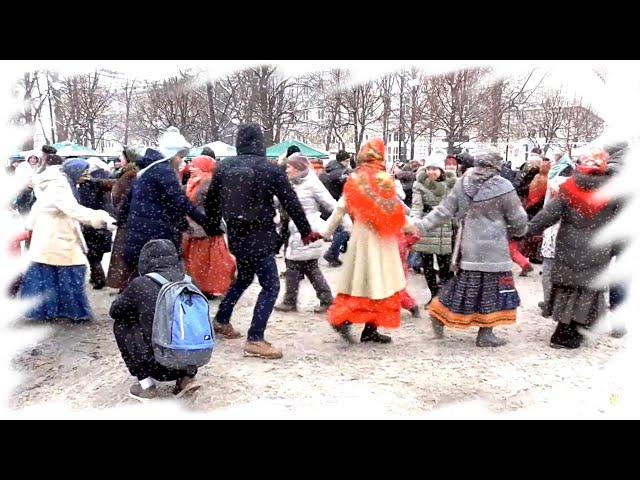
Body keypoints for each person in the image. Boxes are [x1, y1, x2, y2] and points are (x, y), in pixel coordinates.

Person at [204, 124, 320, 359]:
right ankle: (255, 338)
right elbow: (291, 203)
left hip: (236, 235)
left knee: (245, 277)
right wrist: (306, 230)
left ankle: (221, 319)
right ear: (260, 143)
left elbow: (211, 202)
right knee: (270, 285)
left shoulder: (224, 167)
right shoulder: (270, 170)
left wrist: (213, 226)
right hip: (260, 235)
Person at [416, 150, 528, 347]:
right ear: (496, 166)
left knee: (464, 285)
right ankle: (485, 334)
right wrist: (518, 231)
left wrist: (422, 226)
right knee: (492, 291)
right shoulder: (503, 186)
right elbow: (518, 219)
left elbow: (444, 210)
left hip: (469, 246)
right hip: (494, 249)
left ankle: (439, 312)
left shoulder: (463, 182)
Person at [527, 149, 622, 349]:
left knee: (567, 288)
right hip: (598, 248)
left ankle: (563, 330)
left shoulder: (569, 187)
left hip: (568, 247)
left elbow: (548, 215)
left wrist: (524, 231)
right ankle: (575, 330)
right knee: (587, 291)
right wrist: (617, 249)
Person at [322, 138, 411, 344]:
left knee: (358, 283)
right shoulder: (383, 179)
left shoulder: (355, 178)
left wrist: (326, 231)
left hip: (360, 237)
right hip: (382, 238)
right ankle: (365, 327)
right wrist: (411, 227)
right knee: (382, 284)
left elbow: (340, 208)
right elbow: (394, 209)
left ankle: (347, 321)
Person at [19, 156, 115, 322]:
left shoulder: (60, 184)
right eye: (83, 172)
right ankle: (72, 311)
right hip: (56, 238)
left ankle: (51, 310)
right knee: (70, 272)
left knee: (51, 274)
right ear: (74, 172)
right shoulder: (60, 187)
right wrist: (102, 219)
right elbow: (74, 210)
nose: (86, 176)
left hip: (52, 237)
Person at [110, 239, 202, 401]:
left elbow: (115, 311)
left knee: (122, 323)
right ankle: (186, 378)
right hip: (192, 357)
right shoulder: (189, 282)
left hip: (158, 363)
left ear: (145, 260)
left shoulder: (140, 284)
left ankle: (147, 386)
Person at [122, 134, 210, 282]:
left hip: (140, 235)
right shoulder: (163, 170)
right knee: (167, 280)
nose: (181, 161)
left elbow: (128, 201)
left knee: (143, 280)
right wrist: (205, 222)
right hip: (156, 236)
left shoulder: (147, 171)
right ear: (172, 155)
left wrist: (122, 221)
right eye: (180, 156)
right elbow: (179, 201)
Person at [275, 154, 346, 313]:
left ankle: (292, 300)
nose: (287, 170)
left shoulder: (312, 184)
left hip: (308, 230)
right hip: (299, 230)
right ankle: (321, 300)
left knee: (299, 265)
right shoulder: (295, 184)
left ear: (299, 168)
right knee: (305, 266)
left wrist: (347, 225)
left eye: (289, 167)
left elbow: (332, 205)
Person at [182, 155, 236, 299]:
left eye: (194, 165)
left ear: (203, 167)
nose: (191, 168)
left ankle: (208, 286)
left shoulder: (207, 181)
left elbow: (213, 204)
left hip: (205, 228)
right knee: (199, 261)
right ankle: (201, 285)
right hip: (196, 228)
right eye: (191, 165)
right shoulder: (194, 181)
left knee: (207, 262)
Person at [410, 152, 457, 303]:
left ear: (441, 171)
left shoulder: (452, 184)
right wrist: (414, 221)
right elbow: (417, 205)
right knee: (427, 266)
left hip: (444, 226)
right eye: (429, 168)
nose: (431, 172)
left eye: (435, 169)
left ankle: (445, 296)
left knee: (445, 265)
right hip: (427, 225)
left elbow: (456, 205)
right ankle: (434, 294)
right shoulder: (419, 184)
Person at [78, 158, 114, 290]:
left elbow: (85, 204)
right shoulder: (106, 181)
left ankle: (98, 278)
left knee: (92, 254)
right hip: (106, 220)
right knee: (97, 253)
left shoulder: (89, 184)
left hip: (93, 222)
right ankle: (96, 276)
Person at [319, 150, 352, 266]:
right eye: (347, 161)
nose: (348, 163)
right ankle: (332, 254)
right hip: (335, 205)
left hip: (324, 205)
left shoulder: (326, 171)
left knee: (336, 229)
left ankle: (336, 251)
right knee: (342, 230)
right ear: (343, 160)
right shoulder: (342, 172)